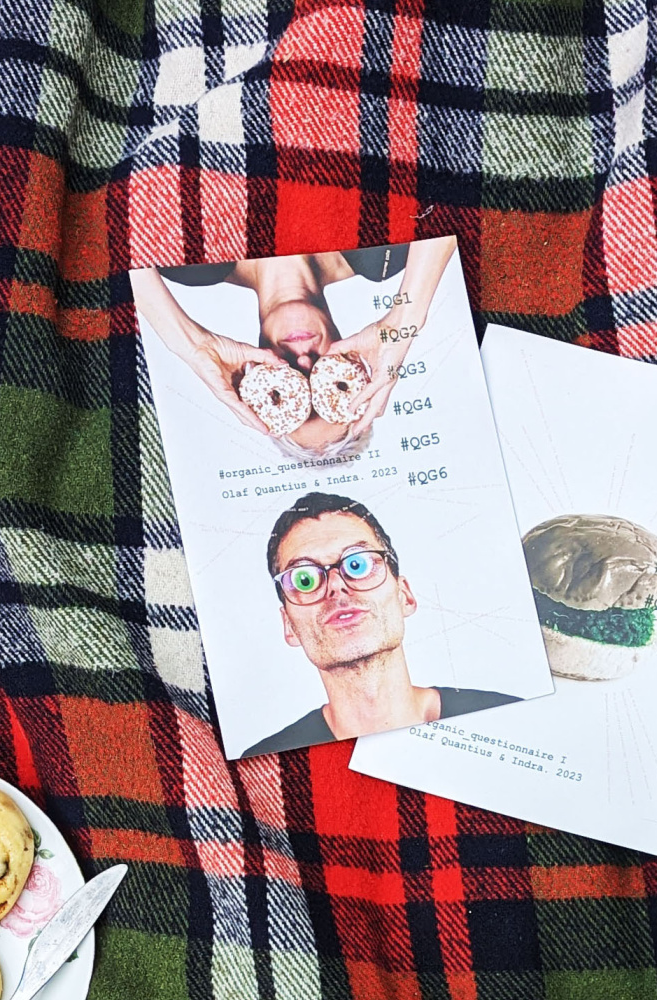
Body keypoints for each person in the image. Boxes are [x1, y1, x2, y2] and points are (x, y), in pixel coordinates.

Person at [242, 492, 519, 757]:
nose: (336, 587)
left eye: (358, 564)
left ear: (405, 596)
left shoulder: (510, 719)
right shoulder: (271, 764)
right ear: (289, 625)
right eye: (305, 579)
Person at [130, 239, 456, 455]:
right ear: (353, 364)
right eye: (325, 382)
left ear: (252, 384)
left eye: (291, 390)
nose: (303, 360)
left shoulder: (189, 266)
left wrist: (189, 344)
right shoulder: (386, 256)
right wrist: (407, 318)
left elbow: (103, 227)